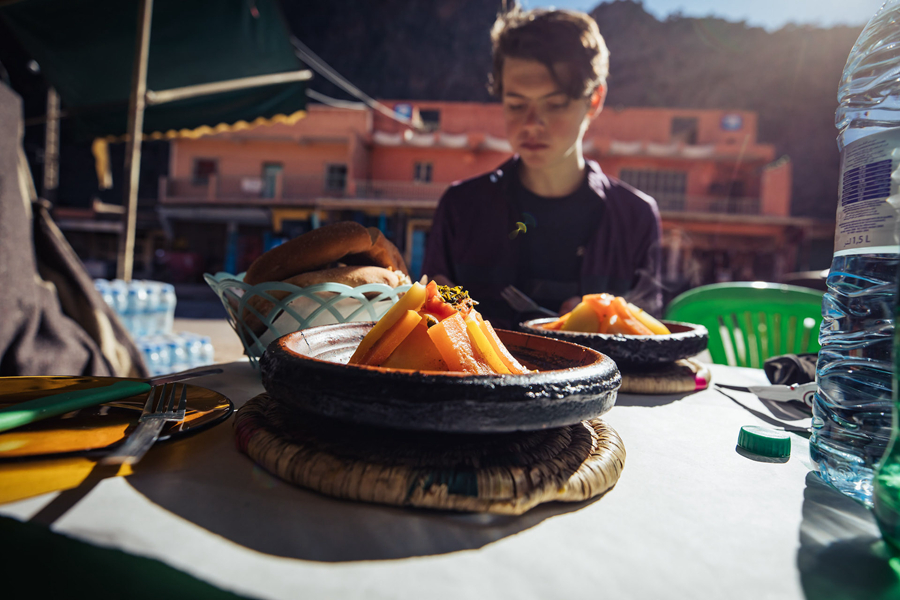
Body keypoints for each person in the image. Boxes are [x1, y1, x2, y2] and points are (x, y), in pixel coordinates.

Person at [422, 7, 662, 330]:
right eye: (516, 104)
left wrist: (605, 322)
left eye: (555, 104)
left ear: (594, 100)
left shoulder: (635, 218)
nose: (532, 125)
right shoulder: (460, 208)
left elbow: (647, 336)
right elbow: (431, 326)